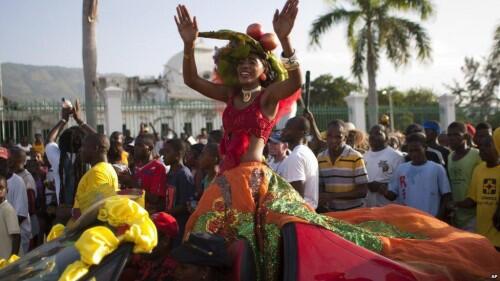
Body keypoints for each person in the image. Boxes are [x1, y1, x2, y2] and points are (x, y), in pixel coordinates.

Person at [175, 2, 500, 279]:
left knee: (264, 241)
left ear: (264, 70)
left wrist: (286, 40)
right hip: (226, 183)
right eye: (240, 61)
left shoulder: (267, 98)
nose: (246, 66)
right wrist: (189, 45)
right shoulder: (230, 95)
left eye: (253, 61)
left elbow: (295, 80)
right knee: (206, 235)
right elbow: (191, 79)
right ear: (232, 68)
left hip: (254, 182)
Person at [385, 133, 452, 219]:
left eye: (417, 150)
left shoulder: (437, 169)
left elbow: (446, 195)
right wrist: (382, 189)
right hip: (408, 220)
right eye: (411, 151)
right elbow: (392, 194)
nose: (414, 154)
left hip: (430, 220)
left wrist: (439, 216)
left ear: (425, 148)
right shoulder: (401, 169)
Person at [453, 135, 500, 250]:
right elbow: (472, 200)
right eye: (480, 146)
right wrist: (454, 204)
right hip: (482, 238)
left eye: (487, 145)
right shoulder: (478, 169)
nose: (482, 149)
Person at [317, 120, 368, 212]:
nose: (333, 140)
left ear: (345, 138)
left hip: (355, 213)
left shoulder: (356, 157)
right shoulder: (320, 158)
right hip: (332, 215)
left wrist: (332, 196)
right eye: (329, 136)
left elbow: (363, 191)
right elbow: (321, 186)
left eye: (338, 137)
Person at [120, 212, 178, 281]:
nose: (141, 239)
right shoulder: (143, 256)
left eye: (147, 235)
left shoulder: (171, 271)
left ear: (165, 240)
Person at [119, 134, 168, 214]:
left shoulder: (158, 168)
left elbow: (154, 199)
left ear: (150, 148)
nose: (135, 148)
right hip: (132, 213)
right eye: (135, 145)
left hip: (147, 216)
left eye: (139, 145)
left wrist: (131, 181)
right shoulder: (135, 167)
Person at [72, 133, 119, 218]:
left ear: (95, 148)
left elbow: (95, 209)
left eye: (84, 146)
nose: (80, 150)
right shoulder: (105, 168)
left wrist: (71, 212)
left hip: (91, 228)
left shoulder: (98, 172)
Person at [446, 122, 481, 230]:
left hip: (474, 216)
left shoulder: (476, 155)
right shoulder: (450, 156)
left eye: (456, 135)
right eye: (449, 135)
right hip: (457, 215)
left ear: (465, 136)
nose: (451, 138)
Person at [280, 117, 319, 209]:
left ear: (302, 133)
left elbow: (296, 197)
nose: (284, 131)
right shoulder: (305, 152)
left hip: (300, 215)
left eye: (288, 128)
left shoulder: (297, 156)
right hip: (306, 213)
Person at [163, 139, 195, 246]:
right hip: (170, 222)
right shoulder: (170, 173)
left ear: (177, 155)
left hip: (179, 224)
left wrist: (166, 214)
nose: (163, 155)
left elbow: (185, 205)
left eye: (167, 152)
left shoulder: (183, 175)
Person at [364, 125, 404, 207]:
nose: (373, 136)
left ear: (386, 137)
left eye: (378, 134)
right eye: (371, 134)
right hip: (368, 208)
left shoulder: (396, 156)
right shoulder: (364, 156)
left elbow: (402, 184)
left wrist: (381, 186)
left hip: (388, 208)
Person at [0, 147, 30, 256]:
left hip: (16, 238)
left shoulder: (18, 182)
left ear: (8, 162)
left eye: (2, 161)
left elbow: (20, 215)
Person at [9, 148, 39, 251]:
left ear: (15, 160)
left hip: (22, 231)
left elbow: (29, 209)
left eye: (10, 158)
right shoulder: (14, 176)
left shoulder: (26, 179)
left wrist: (7, 228)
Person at [0, 175, 21, 259]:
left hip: (8, 262)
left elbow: (16, 237)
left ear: (7, 190)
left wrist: (12, 259)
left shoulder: (8, 209)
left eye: (1, 188)